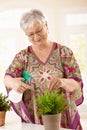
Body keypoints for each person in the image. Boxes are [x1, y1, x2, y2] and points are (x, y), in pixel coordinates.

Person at [4, 9, 84, 130]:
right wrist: (13, 82)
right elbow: (7, 78)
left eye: (39, 31)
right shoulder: (22, 56)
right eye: (31, 34)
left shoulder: (64, 52)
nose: (36, 37)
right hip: (35, 118)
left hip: (63, 116)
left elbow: (76, 83)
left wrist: (63, 82)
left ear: (46, 25)